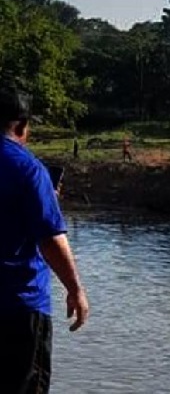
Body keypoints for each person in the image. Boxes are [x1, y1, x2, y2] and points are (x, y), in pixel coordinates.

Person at [1, 90, 90, 394]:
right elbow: (50, 240)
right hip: (19, 307)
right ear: (22, 126)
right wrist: (75, 289)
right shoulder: (29, 168)